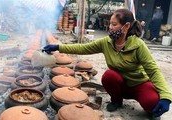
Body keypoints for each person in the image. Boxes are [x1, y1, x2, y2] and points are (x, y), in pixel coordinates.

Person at [43, 9, 172, 119]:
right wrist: (58, 47)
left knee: (152, 103)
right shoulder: (107, 42)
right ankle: (117, 100)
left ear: (126, 26)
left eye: (114, 24)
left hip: (139, 84)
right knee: (109, 75)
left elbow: (153, 70)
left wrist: (166, 96)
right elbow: (82, 48)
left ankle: (151, 107)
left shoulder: (138, 45)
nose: (110, 27)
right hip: (120, 84)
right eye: (110, 24)